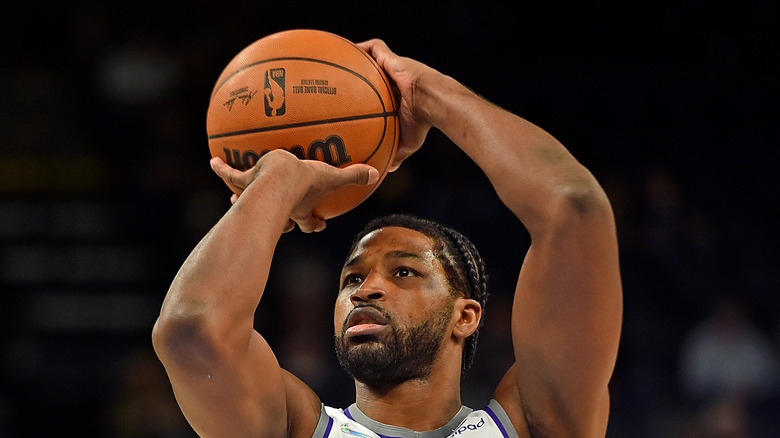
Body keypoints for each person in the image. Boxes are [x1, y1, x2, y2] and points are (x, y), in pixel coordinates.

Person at [152, 38, 623, 437]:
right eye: (350, 278)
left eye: (404, 271)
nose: (365, 289)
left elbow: (574, 209)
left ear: (466, 315)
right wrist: (277, 179)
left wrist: (426, 94)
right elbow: (191, 332)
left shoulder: (535, 423)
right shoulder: (292, 427)